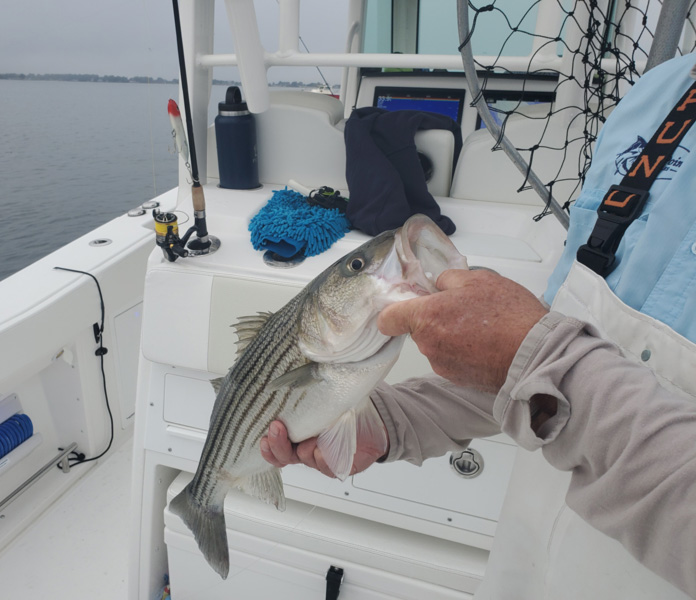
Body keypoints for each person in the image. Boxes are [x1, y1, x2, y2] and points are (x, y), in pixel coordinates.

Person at [261, 52, 696, 599]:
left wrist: (533, 354)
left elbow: (549, 367)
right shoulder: (660, 93)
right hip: (527, 561)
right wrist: (396, 421)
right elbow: (550, 372)